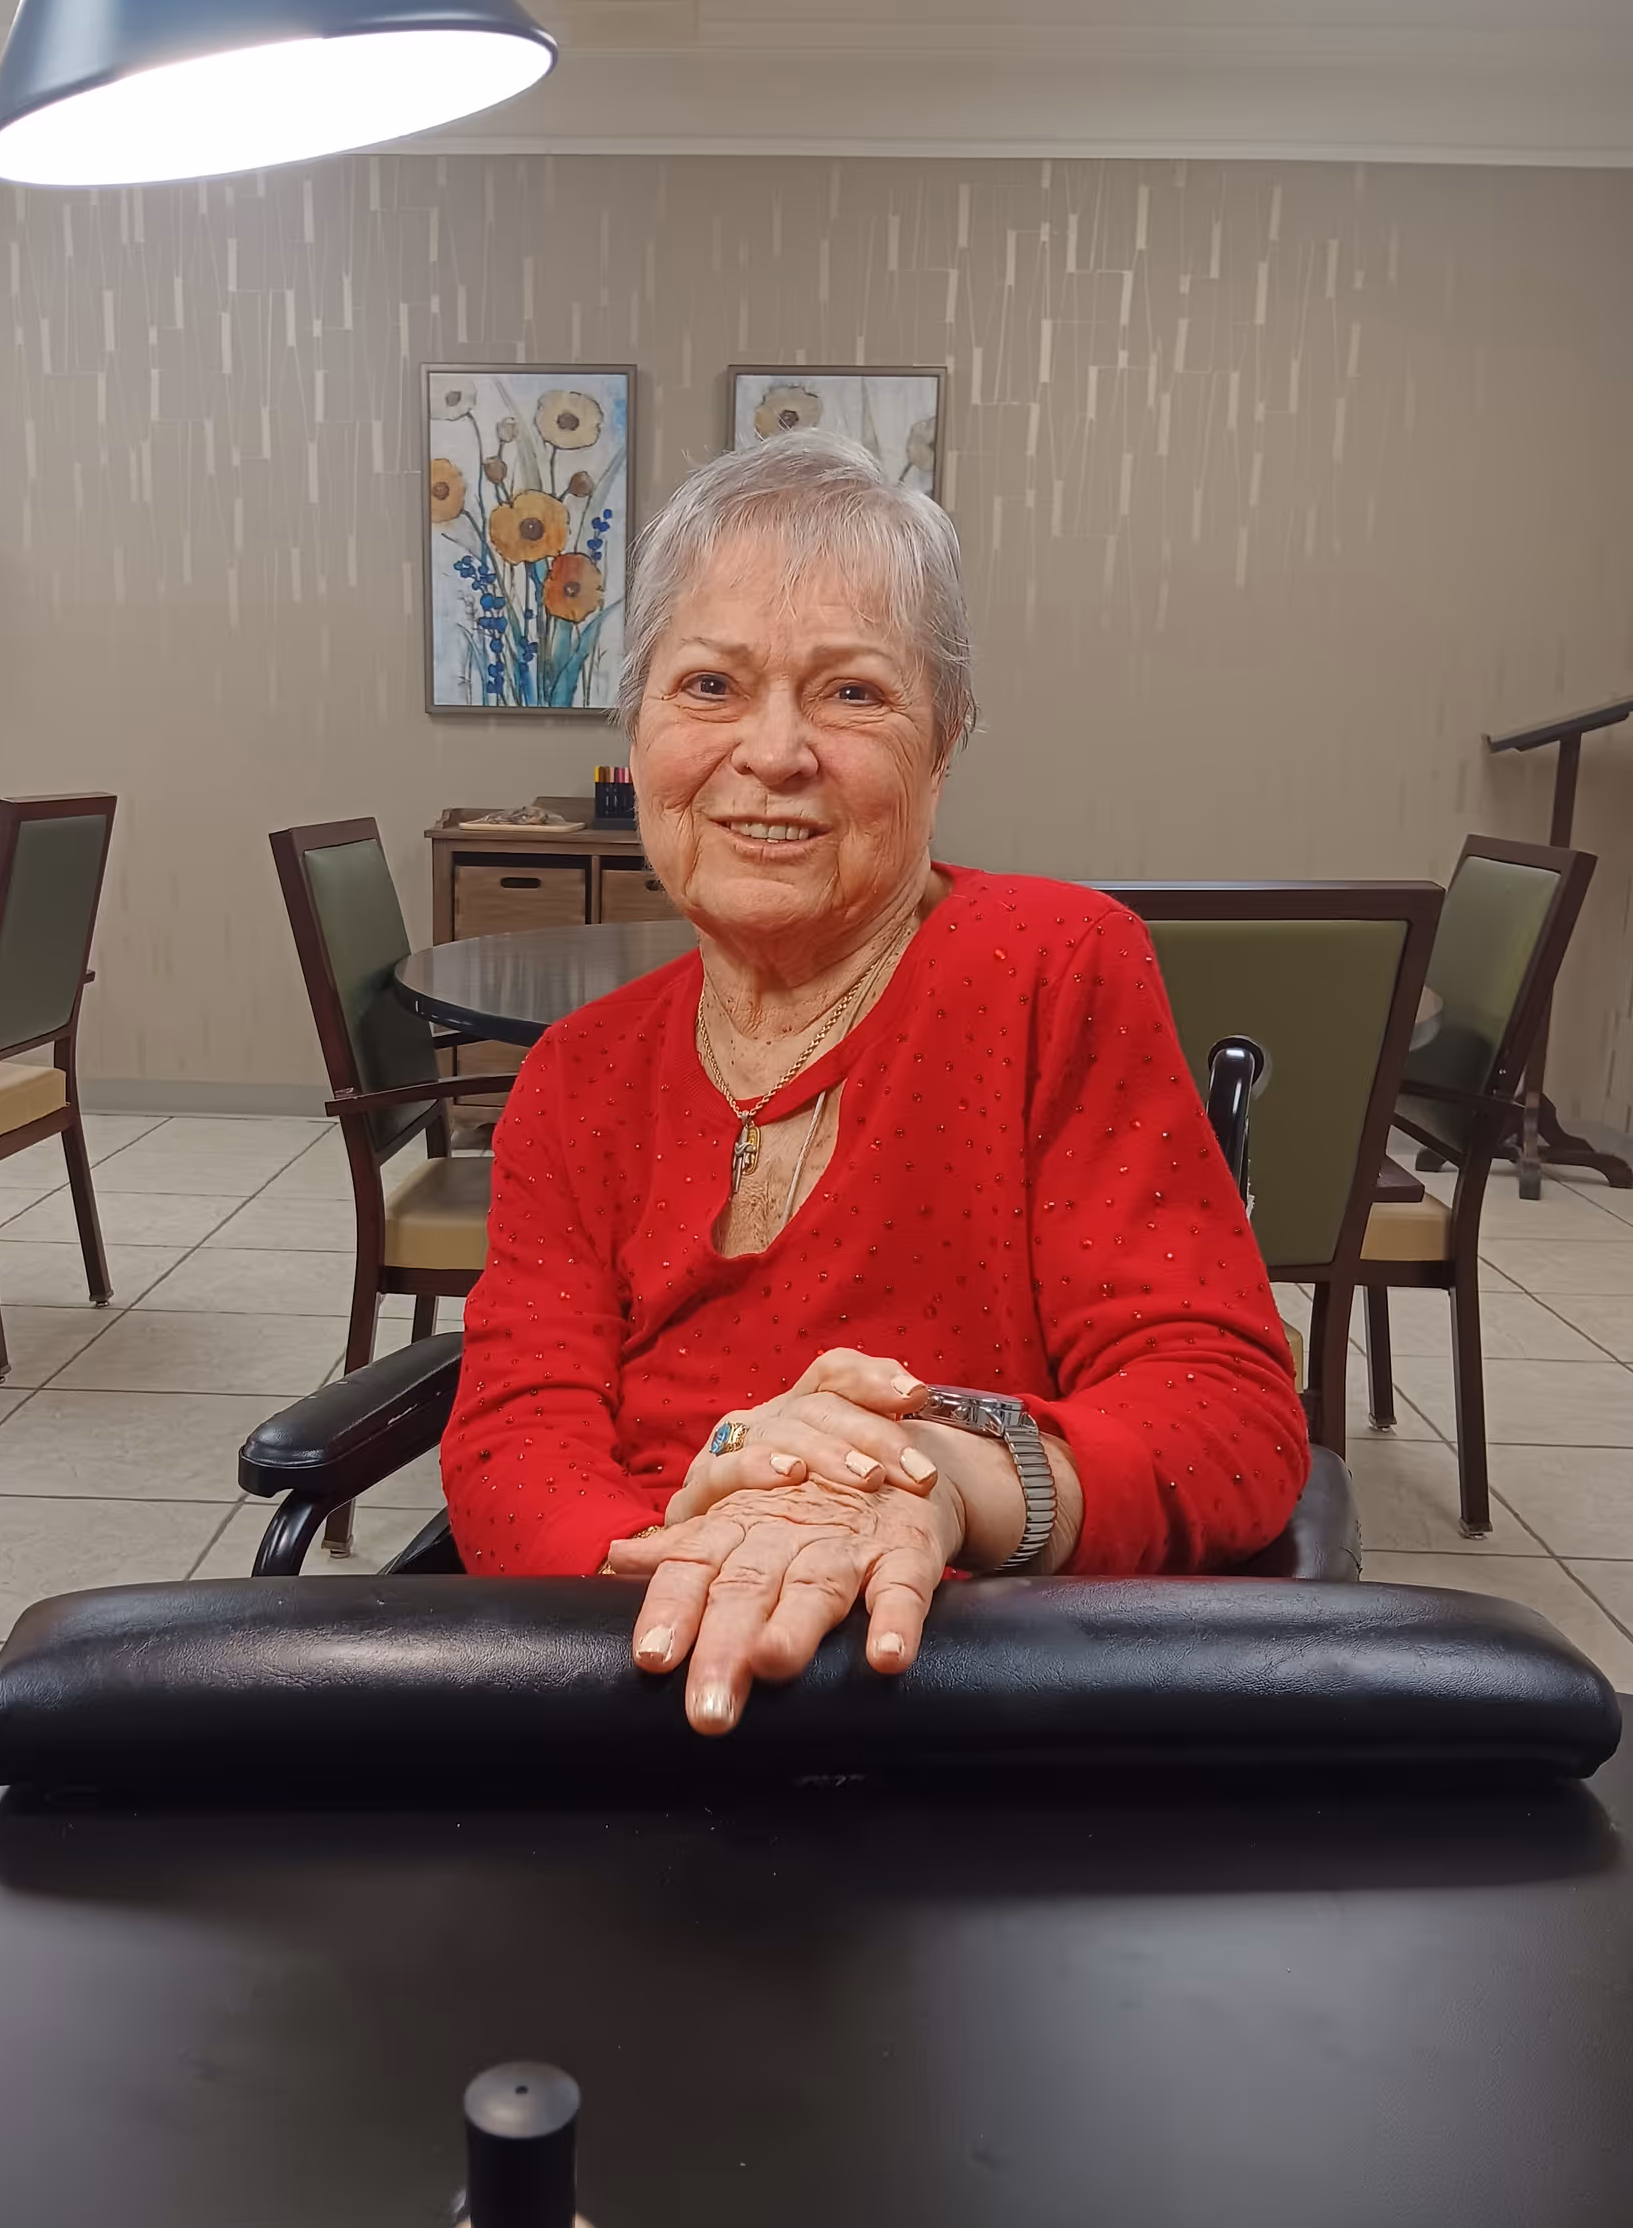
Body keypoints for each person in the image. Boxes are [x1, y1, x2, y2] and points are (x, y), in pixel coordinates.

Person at [442, 433, 1308, 1735]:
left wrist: (937, 1476)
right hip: (623, 1685)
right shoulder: (579, 1077)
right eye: (710, 685)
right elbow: (516, 1440)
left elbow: (1221, 1417)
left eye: (851, 694)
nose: (773, 751)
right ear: (642, 729)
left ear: (943, 738)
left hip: (969, 1703)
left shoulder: (1050, 970)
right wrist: (702, 1578)